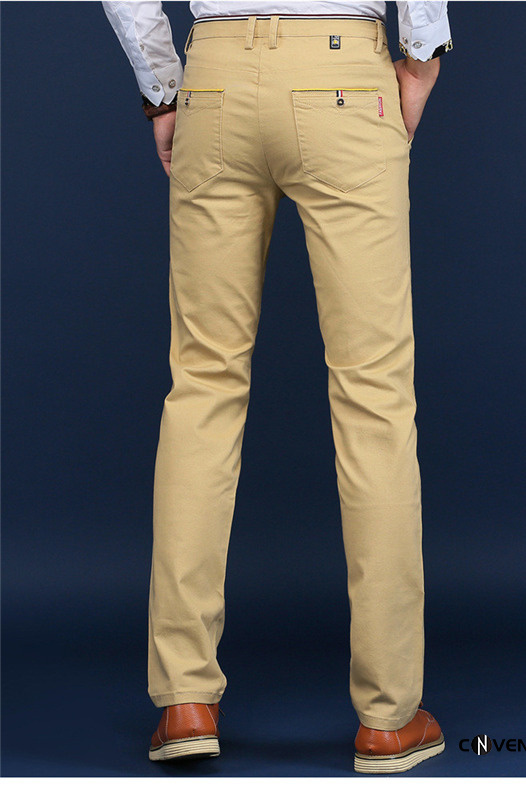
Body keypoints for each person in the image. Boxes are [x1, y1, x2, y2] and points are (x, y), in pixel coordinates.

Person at [102, 0, 452, 774]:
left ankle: (184, 700)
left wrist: (163, 89)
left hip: (215, 79)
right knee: (374, 395)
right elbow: (420, 38)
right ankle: (389, 716)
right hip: (345, 76)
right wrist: (422, 55)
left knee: (202, 385)